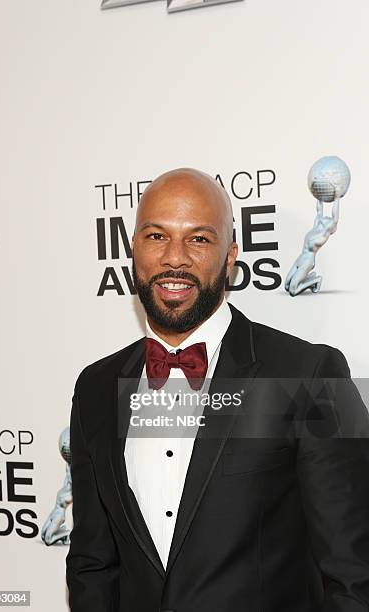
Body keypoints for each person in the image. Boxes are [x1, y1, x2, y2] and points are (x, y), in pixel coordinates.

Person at [66, 168, 369, 612]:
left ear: (230, 256)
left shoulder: (311, 373)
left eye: (199, 239)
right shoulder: (95, 387)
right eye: (156, 236)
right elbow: (93, 565)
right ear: (133, 251)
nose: (175, 258)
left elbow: (355, 574)